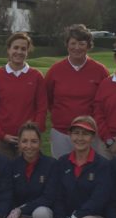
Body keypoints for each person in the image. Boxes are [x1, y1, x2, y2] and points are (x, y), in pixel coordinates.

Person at [45, 116, 114, 218]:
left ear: (92, 137)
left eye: (85, 134)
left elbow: (98, 200)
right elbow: (57, 196)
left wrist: (76, 217)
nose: (80, 138)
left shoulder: (103, 165)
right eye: (76, 133)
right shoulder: (62, 162)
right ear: (70, 135)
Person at [44, 24, 109, 158]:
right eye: (73, 43)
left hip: (90, 132)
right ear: (67, 45)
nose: (77, 47)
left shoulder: (100, 70)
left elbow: (105, 102)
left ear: (88, 46)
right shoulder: (55, 70)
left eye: (81, 43)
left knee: (91, 169)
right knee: (62, 168)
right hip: (61, 132)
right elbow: (48, 98)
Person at [4, 122, 57, 218]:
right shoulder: (11, 166)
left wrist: (20, 210)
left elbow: (48, 198)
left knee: (41, 212)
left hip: (43, 217)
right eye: (24, 141)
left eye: (34, 141)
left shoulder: (51, 164)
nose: (29, 146)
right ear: (19, 143)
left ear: (40, 143)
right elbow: (8, 195)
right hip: (21, 217)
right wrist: (18, 217)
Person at [0, 32, 47, 159]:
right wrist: (1, 135)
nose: (19, 52)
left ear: (27, 51)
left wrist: (31, 134)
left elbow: (42, 108)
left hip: (28, 141)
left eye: (23, 49)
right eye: (15, 48)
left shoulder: (36, 76)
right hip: (1, 140)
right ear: (8, 50)